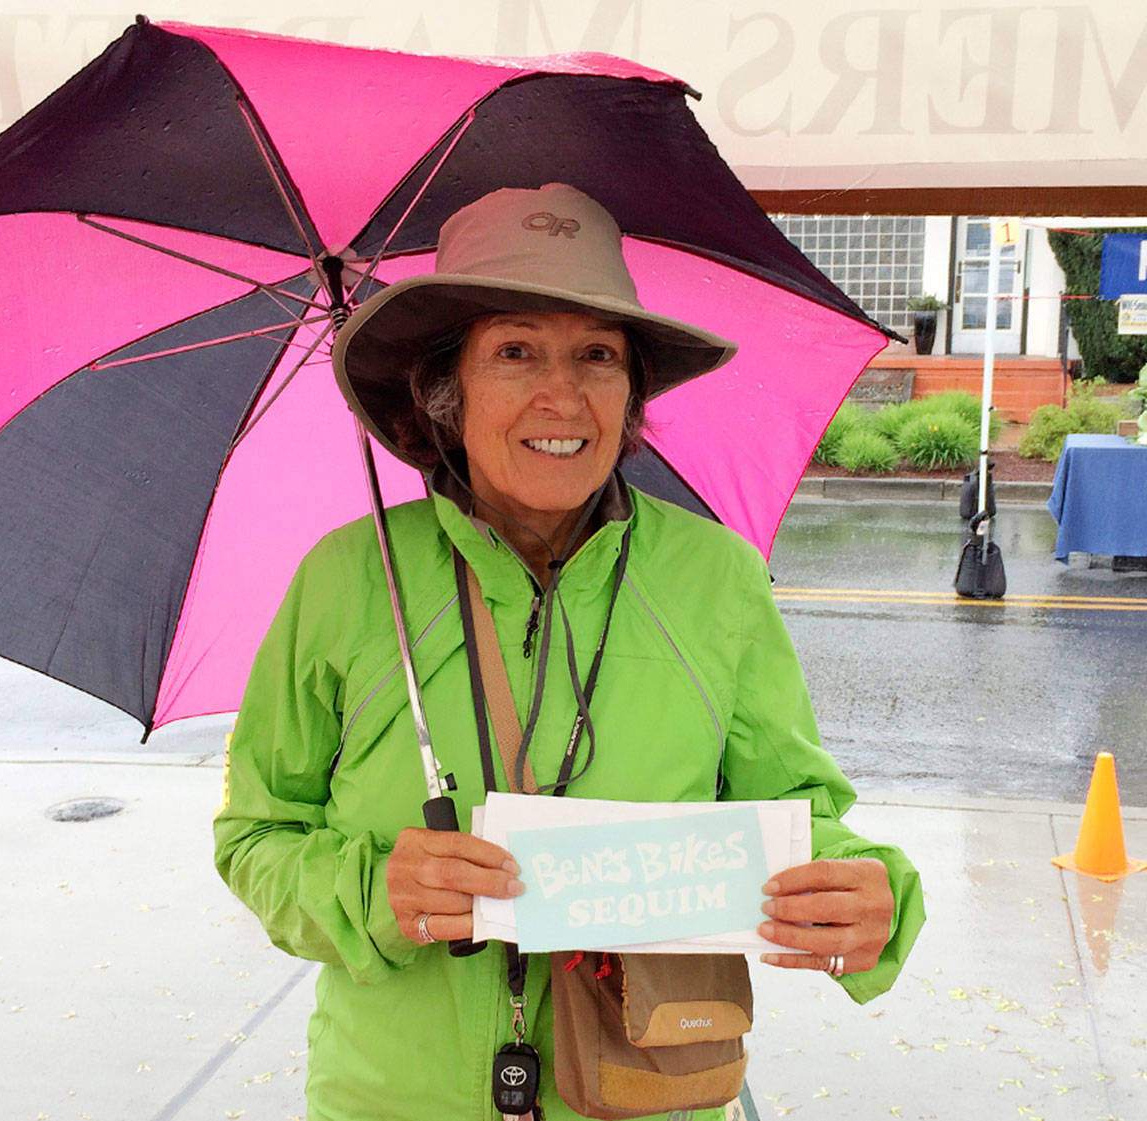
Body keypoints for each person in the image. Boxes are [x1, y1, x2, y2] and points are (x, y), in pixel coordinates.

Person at [214, 183, 924, 1121]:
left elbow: (793, 810)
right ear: (444, 390)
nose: (564, 394)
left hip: (649, 1093)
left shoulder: (714, 578)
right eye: (514, 351)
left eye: (598, 354)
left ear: (632, 393)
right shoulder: (349, 580)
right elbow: (257, 836)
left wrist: (872, 894)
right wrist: (379, 889)